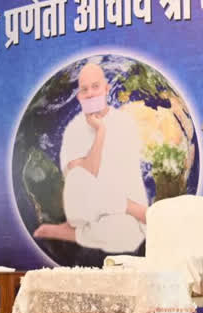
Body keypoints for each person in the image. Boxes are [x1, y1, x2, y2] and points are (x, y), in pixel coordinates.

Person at [32, 61, 148, 254]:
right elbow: (83, 177)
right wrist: (100, 132)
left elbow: (127, 175)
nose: (91, 93)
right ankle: (131, 208)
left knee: (127, 237)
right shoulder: (73, 130)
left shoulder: (125, 122)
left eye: (96, 87)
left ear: (106, 89)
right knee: (78, 176)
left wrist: (115, 203)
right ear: (79, 96)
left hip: (119, 212)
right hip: (86, 209)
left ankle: (75, 234)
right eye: (85, 89)